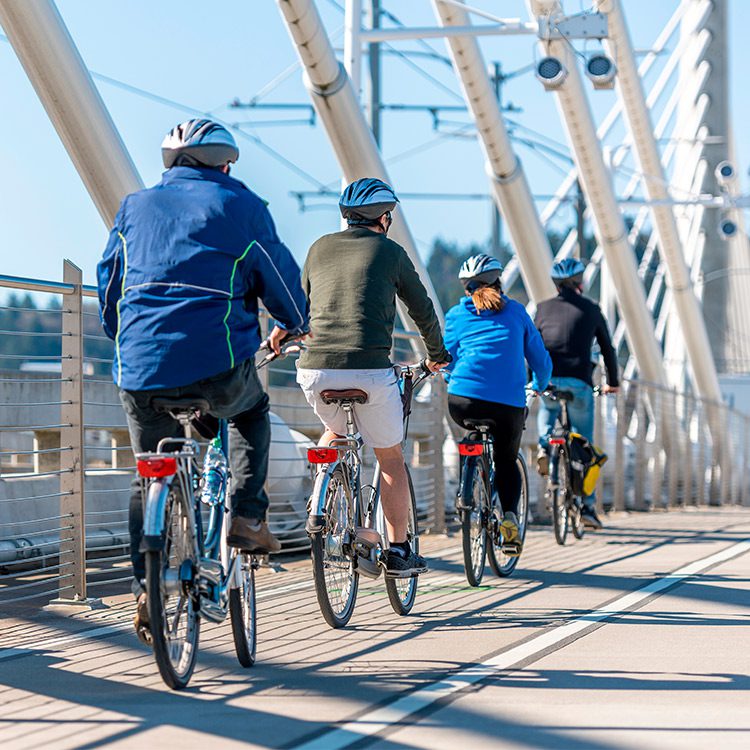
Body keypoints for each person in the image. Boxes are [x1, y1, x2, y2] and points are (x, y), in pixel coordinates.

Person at [97, 118, 309, 639]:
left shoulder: (133, 206)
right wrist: (294, 323)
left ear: (170, 163)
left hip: (140, 366)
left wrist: (122, 333)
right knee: (250, 412)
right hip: (217, 363)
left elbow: (110, 284)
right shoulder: (241, 207)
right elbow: (279, 280)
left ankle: (146, 585)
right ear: (226, 164)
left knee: (150, 471)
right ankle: (247, 516)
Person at [296, 177, 451, 576]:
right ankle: (398, 552)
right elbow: (422, 310)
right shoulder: (390, 252)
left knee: (333, 430)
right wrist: (435, 356)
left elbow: (301, 306)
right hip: (369, 370)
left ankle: (321, 499)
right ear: (384, 217)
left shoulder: (317, 249)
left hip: (314, 368)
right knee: (389, 457)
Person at [444, 254, 552, 554]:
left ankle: (468, 482)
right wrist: (541, 385)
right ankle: (509, 521)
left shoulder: (455, 315)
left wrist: (451, 376)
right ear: (499, 282)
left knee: (470, 433)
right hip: (507, 404)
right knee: (506, 461)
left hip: (462, 400)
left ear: (466, 289)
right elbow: (540, 360)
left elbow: (444, 357)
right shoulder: (517, 312)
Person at [534, 258, 619, 530]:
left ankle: (545, 446)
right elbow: (608, 348)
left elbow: (532, 346)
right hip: (580, 381)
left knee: (548, 412)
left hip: (549, 380)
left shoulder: (543, 309)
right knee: (584, 443)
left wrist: (532, 379)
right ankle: (587, 507)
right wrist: (612, 382)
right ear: (580, 283)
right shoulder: (592, 309)